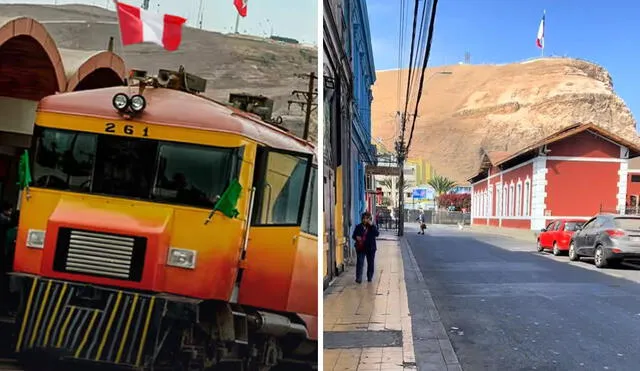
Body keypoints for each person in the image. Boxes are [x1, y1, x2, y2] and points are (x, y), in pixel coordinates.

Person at [352, 212, 379, 283]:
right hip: (361, 248)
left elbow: (377, 234)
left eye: (366, 218)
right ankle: (358, 278)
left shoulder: (372, 227)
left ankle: (369, 277)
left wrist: (371, 225)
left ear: (369, 219)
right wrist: (356, 237)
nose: (365, 220)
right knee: (360, 262)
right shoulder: (358, 227)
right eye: (363, 218)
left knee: (370, 263)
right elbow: (353, 236)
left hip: (371, 248)